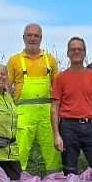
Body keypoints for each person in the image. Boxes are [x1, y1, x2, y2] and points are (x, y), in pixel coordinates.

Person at [6, 23, 61, 173]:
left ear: (41, 38)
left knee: (53, 151)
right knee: (20, 150)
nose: (32, 38)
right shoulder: (14, 60)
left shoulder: (50, 60)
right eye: (29, 35)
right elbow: (5, 88)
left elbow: (58, 89)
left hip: (47, 113)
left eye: (36, 35)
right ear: (23, 37)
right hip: (23, 114)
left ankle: (55, 181)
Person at [51, 37, 92, 175]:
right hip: (68, 127)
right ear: (68, 53)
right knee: (69, 172)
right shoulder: (60, 78)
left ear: (84, 52)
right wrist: (56, 134)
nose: (76, 52)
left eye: (80, 49)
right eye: (73, 49)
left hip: (90, 127)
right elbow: (54, 107)